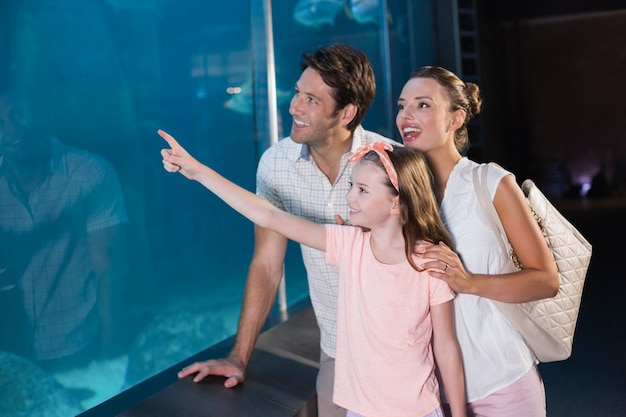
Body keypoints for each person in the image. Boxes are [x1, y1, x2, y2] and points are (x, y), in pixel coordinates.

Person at [160, 129, 467, 417]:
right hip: (359, 410)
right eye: (351, 186)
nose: (349, 197)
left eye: (362, 190)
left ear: (397, 204)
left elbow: (446, 346)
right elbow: (268, 215)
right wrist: (199, 172)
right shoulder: (348, 245)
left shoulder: (430, 262)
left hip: (420, 410)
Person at [176, 43, 395, 416]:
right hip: (337, 352)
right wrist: (239, 357)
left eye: (311, 99)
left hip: (400, 348)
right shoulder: (276, 165)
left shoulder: (393, 163)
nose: (294, 106)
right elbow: (266, 264)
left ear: (346, 113)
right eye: (297, 92)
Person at [395, 66, 560, 417]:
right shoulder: (399, 194)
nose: (405, 115)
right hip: (427, 390)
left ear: (456, 118)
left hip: (503, 381)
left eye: (422, 104)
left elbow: (546, 279)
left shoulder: (490, 181)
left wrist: (468, 282)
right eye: (402, 105)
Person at [0, 92, 128, 372]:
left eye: (16, 115)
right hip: (10, 355)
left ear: (35, 112)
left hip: (76, 347)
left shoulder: (90, 173)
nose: (11, 130)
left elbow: (108, 268)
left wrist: (111, 347)